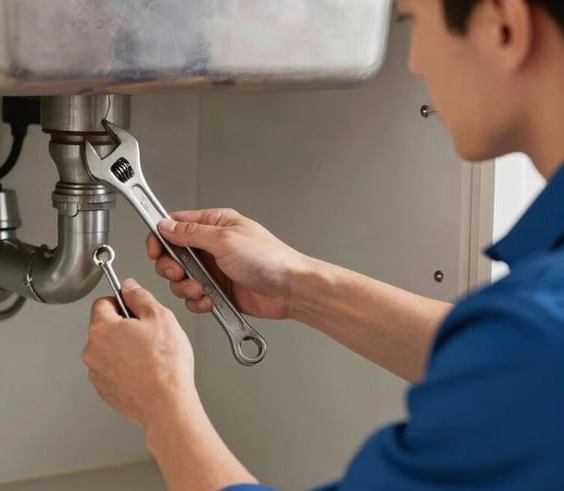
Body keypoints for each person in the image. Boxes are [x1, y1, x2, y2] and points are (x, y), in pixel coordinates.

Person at [81, 0, 564, 489]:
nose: (414, 62)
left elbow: (525, 356)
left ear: (504, 25)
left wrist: (161, 403)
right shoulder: (534, 331)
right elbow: (500, 363)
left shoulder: (538, 335)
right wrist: (297, 286)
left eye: (413, 21)